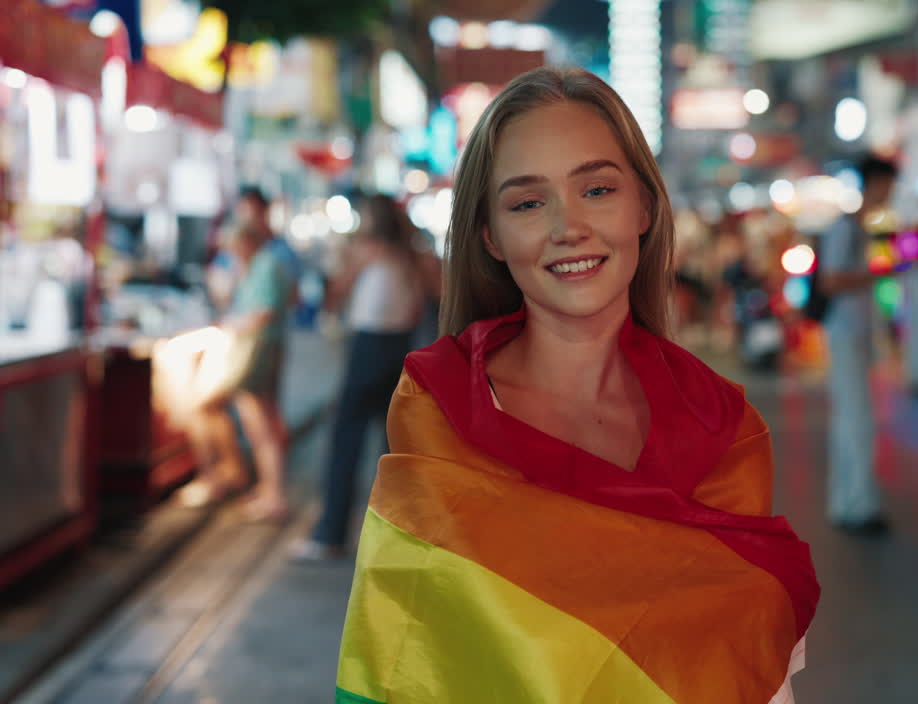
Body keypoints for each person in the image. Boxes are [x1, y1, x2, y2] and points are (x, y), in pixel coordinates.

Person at [335, 67, 818, 703]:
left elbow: (746, 662)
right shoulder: (439, 411)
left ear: (644, 205)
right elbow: (404, 662)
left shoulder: (723, 427)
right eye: (528, 202)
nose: (570, 227)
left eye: (596, 189)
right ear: (491, 235)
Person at [291, 195, 426, 560]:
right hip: (400, 345)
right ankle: (396, 534)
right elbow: (418, 304)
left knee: (345, 438)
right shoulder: (409, 254)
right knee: (392, 443)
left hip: (369, 343)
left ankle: (330, 534)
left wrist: (334, 296)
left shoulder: (369, 248)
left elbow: (338, 288)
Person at [179, 221, 292, 521]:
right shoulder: (258, 265)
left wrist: (230, 326)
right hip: (256, 349)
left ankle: (271, 494)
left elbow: (264, 312)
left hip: (255, 350)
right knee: (254, 419)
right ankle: (257, 484)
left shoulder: (265, 265)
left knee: (259, 422)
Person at [818, 155, 899, 535]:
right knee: (858, 422)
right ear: (875, 183)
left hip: (852, 334)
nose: (890, 194)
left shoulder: (858, 228)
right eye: (888, 185)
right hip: (846, 334)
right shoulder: (847, 229)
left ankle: (849, 504)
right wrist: (871, 278)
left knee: (851, 421)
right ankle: (859, 507)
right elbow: (831, 282)